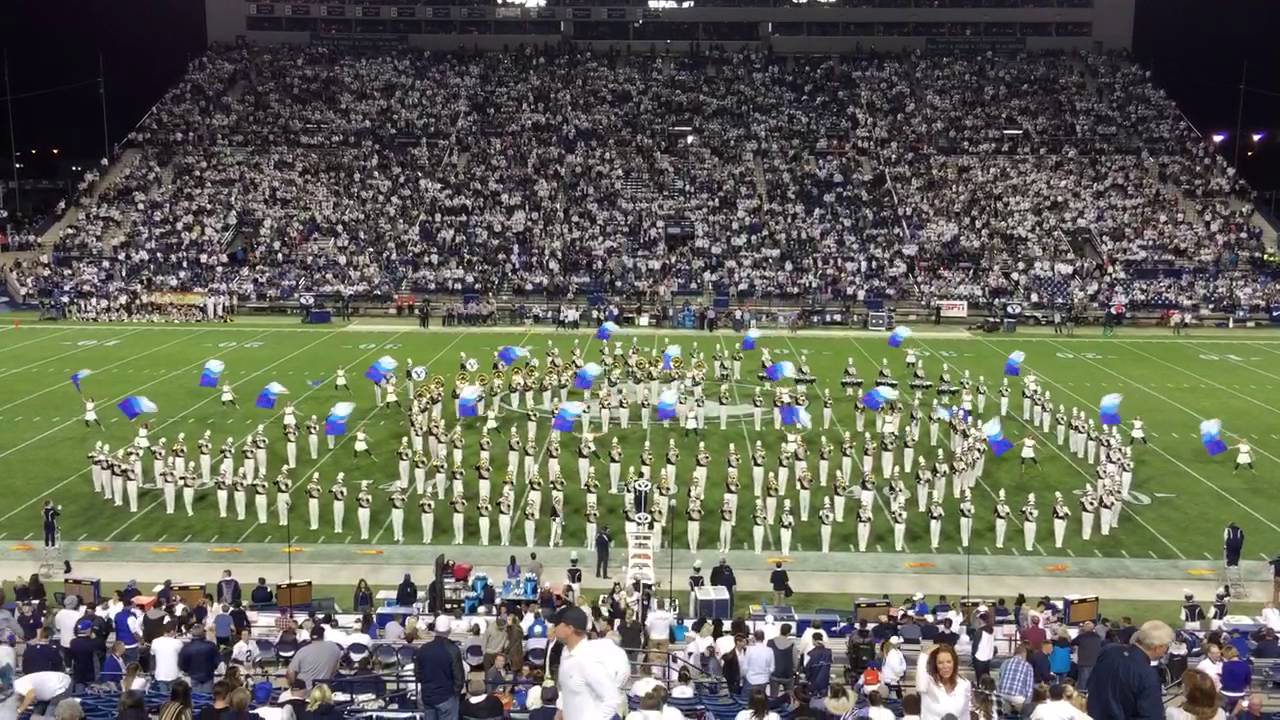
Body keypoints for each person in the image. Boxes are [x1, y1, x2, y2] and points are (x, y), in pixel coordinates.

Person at [1086, 620, 1171, 720]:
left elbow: (1092, 683)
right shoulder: (1147, 674)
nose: (1166, 651)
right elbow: (1151, 716)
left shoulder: (1109, 650)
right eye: (1166, 647)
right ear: (1157, 647)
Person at [555, 606, 627, 720]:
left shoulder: (587, 659)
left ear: (569, 628)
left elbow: (612, 698)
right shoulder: (566, 653)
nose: (553, 628)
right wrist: (560, 713)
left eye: (557, 624)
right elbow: (566, 691)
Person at [415, 621, 465, 720]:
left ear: (435, 631)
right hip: (447, 697)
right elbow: (459, 677)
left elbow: (418, 674)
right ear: (449, 631)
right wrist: (455, 694)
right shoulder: (453, 649)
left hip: (428, 696)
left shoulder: (423, 649)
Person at [917, 644, 970, 720]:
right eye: (940, 663)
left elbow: (965, 715)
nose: (945, 666)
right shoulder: (928, 683)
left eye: (949, 662)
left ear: (954, 663)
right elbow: (921, 684)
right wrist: (924, 655)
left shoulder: (964, 684)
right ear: (935, 665)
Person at [179, 626, 220, 695]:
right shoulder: (211, 646)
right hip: (208, 675)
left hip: (194, 676)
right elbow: (217, 660)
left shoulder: (187, 647)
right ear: (203, 634)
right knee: (207, 698)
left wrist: (188, 671)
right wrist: (213, 668)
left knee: (196, 698)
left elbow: (182, 664)